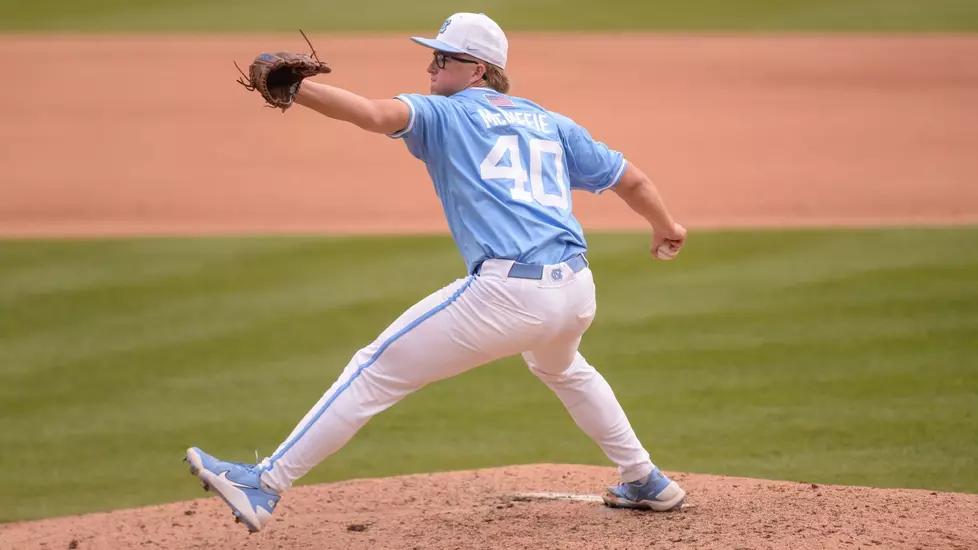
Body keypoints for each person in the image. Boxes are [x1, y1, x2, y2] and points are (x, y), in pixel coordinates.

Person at [185, 12, 688, 533]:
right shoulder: (549, 122)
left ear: (477, 70)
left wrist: (298, 90)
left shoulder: (445, 115)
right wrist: (666, 226)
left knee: (374, 369)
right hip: (577, 289)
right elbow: (632, 179)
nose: (430, 65)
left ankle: (263, 483)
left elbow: (373, 114)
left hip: (508, 294)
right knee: (562, 368)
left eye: (442, 58)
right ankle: (644, 478)